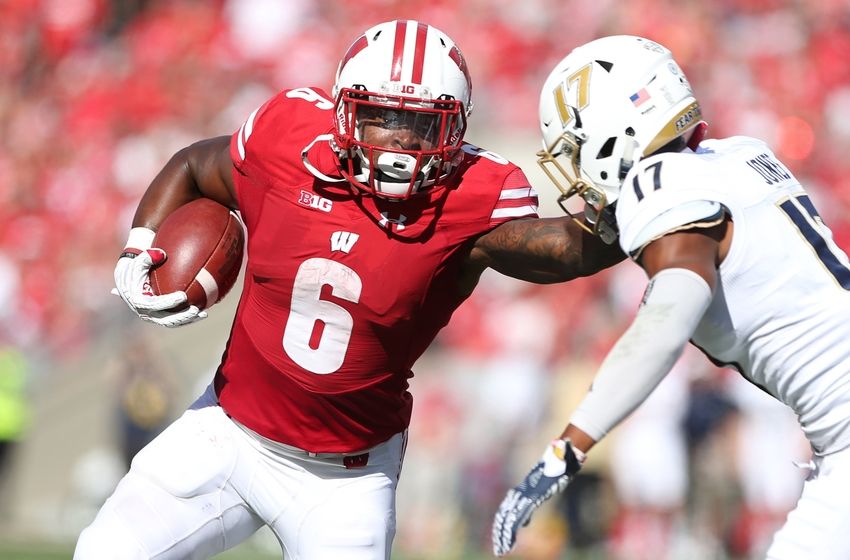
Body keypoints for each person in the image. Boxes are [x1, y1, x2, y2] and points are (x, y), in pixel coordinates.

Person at [75, 20, 624, 559]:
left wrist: (642, 200)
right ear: (343, 111)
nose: (400, 139)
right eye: (381, 116)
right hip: (227, 431)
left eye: (421, 124)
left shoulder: (471, 197)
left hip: (344, 479)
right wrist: (140, 244)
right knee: (103, 551)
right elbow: (195, 164)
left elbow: (564, 250)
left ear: (455, 132)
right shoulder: (288, 139)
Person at [492, 34, 850, 559]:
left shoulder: (657, 184)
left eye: (573, 149)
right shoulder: (738, 155)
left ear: (613, 131)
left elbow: (668, 316)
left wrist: (567, 448)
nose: (575, 168)